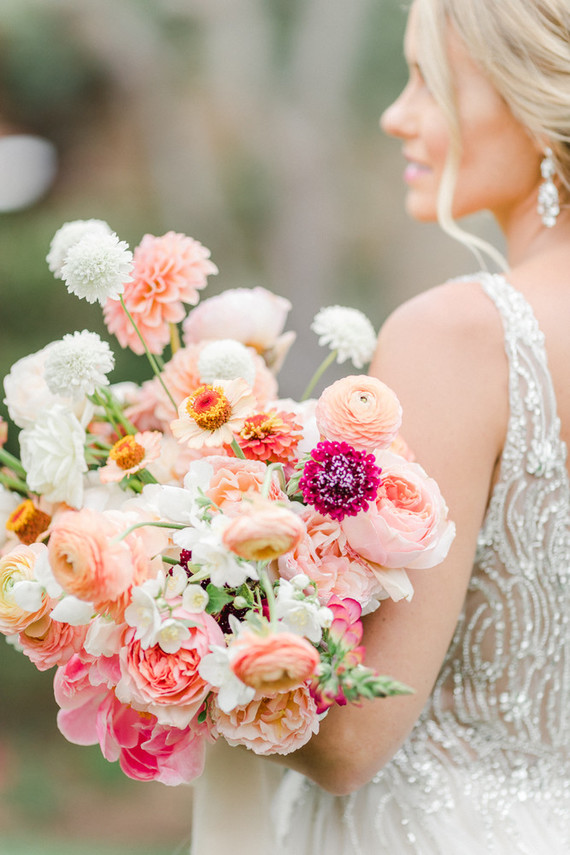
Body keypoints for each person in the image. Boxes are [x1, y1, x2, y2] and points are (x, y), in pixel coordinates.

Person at [259, 0, 570, 852]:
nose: (397, 114)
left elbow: (351, 740)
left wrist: (137, 605)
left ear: (537, 97)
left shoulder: (465, 335)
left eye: (429, 81)